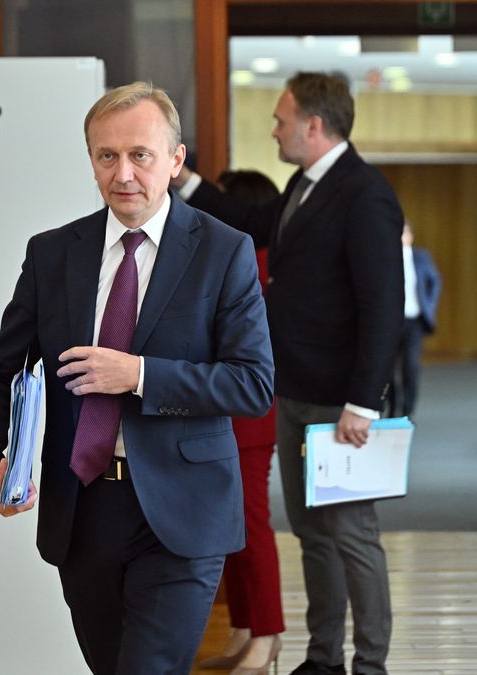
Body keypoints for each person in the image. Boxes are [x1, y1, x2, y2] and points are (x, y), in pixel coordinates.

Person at [0, 82, 274, 675]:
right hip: (84, 509)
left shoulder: (224, 251)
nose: (123, 173)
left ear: (176, 161)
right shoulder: (54, 254)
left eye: (141, 155)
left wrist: (139, 375)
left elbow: (251, 384)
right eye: (107, 156)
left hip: (184, 511)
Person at [175, 71, 404, 675]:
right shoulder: (305, 184)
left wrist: (364, 402)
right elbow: (249, 221)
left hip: (340, 402)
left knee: (352, 535)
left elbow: (384, 304)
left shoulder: (365, 193)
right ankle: (323, 659)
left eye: (280, 120)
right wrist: (188, 180)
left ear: (313, 125)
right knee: (312, 534)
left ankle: (370, 665)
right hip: (294, 391)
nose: (273, 131)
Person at [198, 169, 285, 675]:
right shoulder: (236, 257)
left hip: (249, 414)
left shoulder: (258, 261)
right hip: (224, 408)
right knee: (230, 527)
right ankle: (245, 627)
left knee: (252, 527)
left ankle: (268, 633)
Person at [388, 221, 441, 420]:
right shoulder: (385, 258)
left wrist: (429, 304)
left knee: (410, 366)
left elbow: (434, 281)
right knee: (388, 370)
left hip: (414, 320)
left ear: (410, 236)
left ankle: (408, 410)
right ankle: (392, 408)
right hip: (391, 322)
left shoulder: (421, 257)